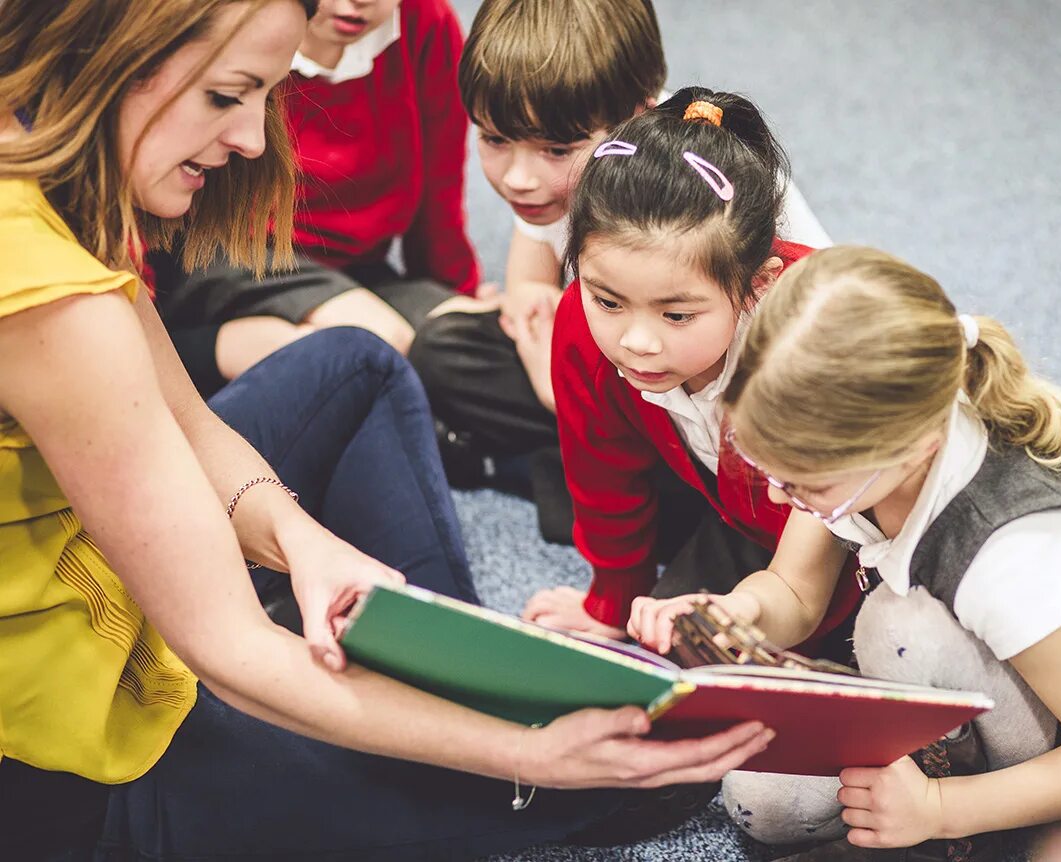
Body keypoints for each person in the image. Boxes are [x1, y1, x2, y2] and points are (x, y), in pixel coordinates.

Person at [0, 3, 773, 859]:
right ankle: (480, 730)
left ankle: (470, 675)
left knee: (358, 365)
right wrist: (524, 754)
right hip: (88, 762)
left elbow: (184, 423)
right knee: (663, 761)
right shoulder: (52, 303)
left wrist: (297, 539)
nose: (255, 138)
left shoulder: (44, 180)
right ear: (118, 55)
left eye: (266, 94)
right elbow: (226, 650)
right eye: (230, 95)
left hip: (128, 583)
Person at [630, 245, 1061, 858]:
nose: (786, 496)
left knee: (901, 627)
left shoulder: (1009, 548)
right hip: (991, 692)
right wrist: (735, 612)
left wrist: (939, 811)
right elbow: (793, 593)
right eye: (770, 467)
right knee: (765, 796)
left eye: (806, 481)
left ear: (913, 448)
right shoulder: (858, 455)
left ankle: (988, 826)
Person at [408, 0, 831, 512]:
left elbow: (815, 348)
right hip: (634, 358)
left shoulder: (717, 180)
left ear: (640, 116)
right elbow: (533, 252)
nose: (519, 179)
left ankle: (594, 486)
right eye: (496, 139)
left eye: (556, 150)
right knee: (443, 347)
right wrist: (532, 303)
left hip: (732, 404)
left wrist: (560, 388)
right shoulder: (556, 179)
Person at [523, 88, 862, 657]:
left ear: (761, 283)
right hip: (740, 520)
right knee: (652, 653)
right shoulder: (581, 323)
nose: (635, 341)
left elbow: (803, 590)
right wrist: (611, 600)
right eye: (608, 301)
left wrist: (748, 621)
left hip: (862, 548)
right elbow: (601, 473)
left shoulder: (820, 345)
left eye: (676, 314)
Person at [157, 0, 486, 398]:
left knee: (475, 338)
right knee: (379, 343)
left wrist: (457, 292)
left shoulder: (427, 24)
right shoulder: (251, 22)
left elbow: (441, 184)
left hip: (359, 267)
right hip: (236, 252)